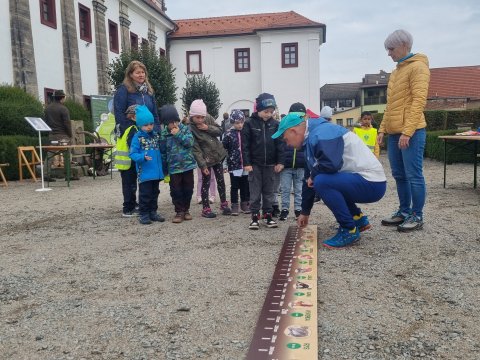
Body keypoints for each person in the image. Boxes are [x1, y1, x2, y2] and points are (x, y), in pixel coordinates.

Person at [272, 112, 387, 248]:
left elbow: (331, 164)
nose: (287, 144)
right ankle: (358, 219)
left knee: (322, 181)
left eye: (286, 139)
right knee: (321, 179)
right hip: (365, 181)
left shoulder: (321, 133)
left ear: (293, 131)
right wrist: (305, 212)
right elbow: (308, 179)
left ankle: (349, 229)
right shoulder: (312, 137)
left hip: (371, 183)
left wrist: (313, 175)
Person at [377, 29, 430, 232]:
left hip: (413, 131)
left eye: (391, 49)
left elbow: (418, 101)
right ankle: (404, 211)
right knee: (399, 174)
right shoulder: (397, 71)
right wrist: (383, 128)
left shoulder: (418, 67)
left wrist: (408, 132)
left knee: (414, 174)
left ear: (404, 45)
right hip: (394, 132)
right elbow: (391, 105)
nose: (389, 53)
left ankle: (417, 215)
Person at [114, 60, 160, 217]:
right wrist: (131, 133)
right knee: (129, 172)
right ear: (130, 74)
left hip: (148, 137)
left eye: (143, 72)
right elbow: (119, 113)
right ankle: (129, 205)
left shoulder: (148, 93)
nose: (141, 75)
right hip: (131, 137)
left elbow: (154, 114)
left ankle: (144, 202)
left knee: (145, 170)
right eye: (137, 72)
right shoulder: (124, 90)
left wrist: (157, 131)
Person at [242, 93, 285, 230]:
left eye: (271, 112)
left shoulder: (276, 124)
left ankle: (268, 215)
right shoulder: (249, 123)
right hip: (254, 164)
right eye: (266, 111)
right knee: (255, 192)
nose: (268, 114)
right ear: (258, 109)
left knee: (269, 191)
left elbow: (280, 145)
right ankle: (255, 216)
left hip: (271, 164)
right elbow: (245, 145)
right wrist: (247, 163)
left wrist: (280, 162)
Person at [189, 99, 231, 218]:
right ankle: (206, 208)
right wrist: (202, 165)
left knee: (221, 180)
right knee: (205, 183)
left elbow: (219, 131)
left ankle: (224, 203)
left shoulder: (208, 118)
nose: (200, 120)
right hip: (206, 160)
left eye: (202, 117)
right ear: (192, 116)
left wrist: (207, 127)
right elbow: (195, 149)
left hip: (218, 155)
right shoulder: (191, 129)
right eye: (197, 117)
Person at [159, 105, 197, 223]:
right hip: (173, 168)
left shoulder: (185, 129)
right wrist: (165, 170)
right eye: (170, 123)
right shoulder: (164, 134)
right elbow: (163, 152)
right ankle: (179, 211)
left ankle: (186, 210)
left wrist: (178, 134)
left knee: (188, 188)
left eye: (175, 121)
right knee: (175, 190)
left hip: (187, 166)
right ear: (165, 123)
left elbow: (190, 143)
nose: (173, 124)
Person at [129, 105, 165, 225]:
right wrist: (142, 157)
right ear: (140, 125)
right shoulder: (137, 137)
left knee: (155, 193)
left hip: (156, 172)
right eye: (145, 125)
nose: (149, 127)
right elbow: (133, 153)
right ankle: (144, 214)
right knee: (145, 194)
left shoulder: (156, 136)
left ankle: (153, 212)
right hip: (144, 172)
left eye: (151, 124)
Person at [279, 102, 307, 221]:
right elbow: (280, 145)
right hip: (286, 165)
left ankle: (298, 210)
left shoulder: (305, 129)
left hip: (301, 165)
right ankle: (284, 209)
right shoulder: (285, 126)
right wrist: (280, 161)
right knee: (285, 189)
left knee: (299, 189)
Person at [44, 89, 80, 181]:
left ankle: (45, 174)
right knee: (67, 155)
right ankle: (68, 175)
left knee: (50, 155)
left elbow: (46, 122)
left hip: (52, 135)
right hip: (63, 136)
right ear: (62, 98)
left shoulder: (47, 108)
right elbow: (67, 123)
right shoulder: (63, 109)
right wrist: (70, 135)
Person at [222, 109, 250, 216]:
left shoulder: (245, 133)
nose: (240, 125)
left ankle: (245, 203)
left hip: (245, 164)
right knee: (234, 186)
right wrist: (224, 164)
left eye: (242, 122)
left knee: (245, 185)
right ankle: (234, 205)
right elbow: (224, 150)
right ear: (233, 122)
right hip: (234, 165)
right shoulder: (228, 134)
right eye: (237, 123)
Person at [115, 104, 139, 217]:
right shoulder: (133, 128)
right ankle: (128, 208)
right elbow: (132, 145)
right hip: (130, 161)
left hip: (122, 160)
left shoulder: (120, 126)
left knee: (127, 185)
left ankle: (132, 204)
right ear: (133, 116)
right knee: (130, 185)